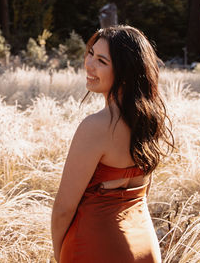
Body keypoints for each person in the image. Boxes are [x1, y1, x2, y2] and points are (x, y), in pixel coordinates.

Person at [51, 25, 173, 263]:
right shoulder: (149, 121)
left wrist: (61, 253)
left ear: (125, 71)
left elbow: (63, 209)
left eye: (101, 61)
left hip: (95, 246)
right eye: (90, 54)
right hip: (145, 245)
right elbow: (141, 194)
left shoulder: (95, 127)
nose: (88, 64)